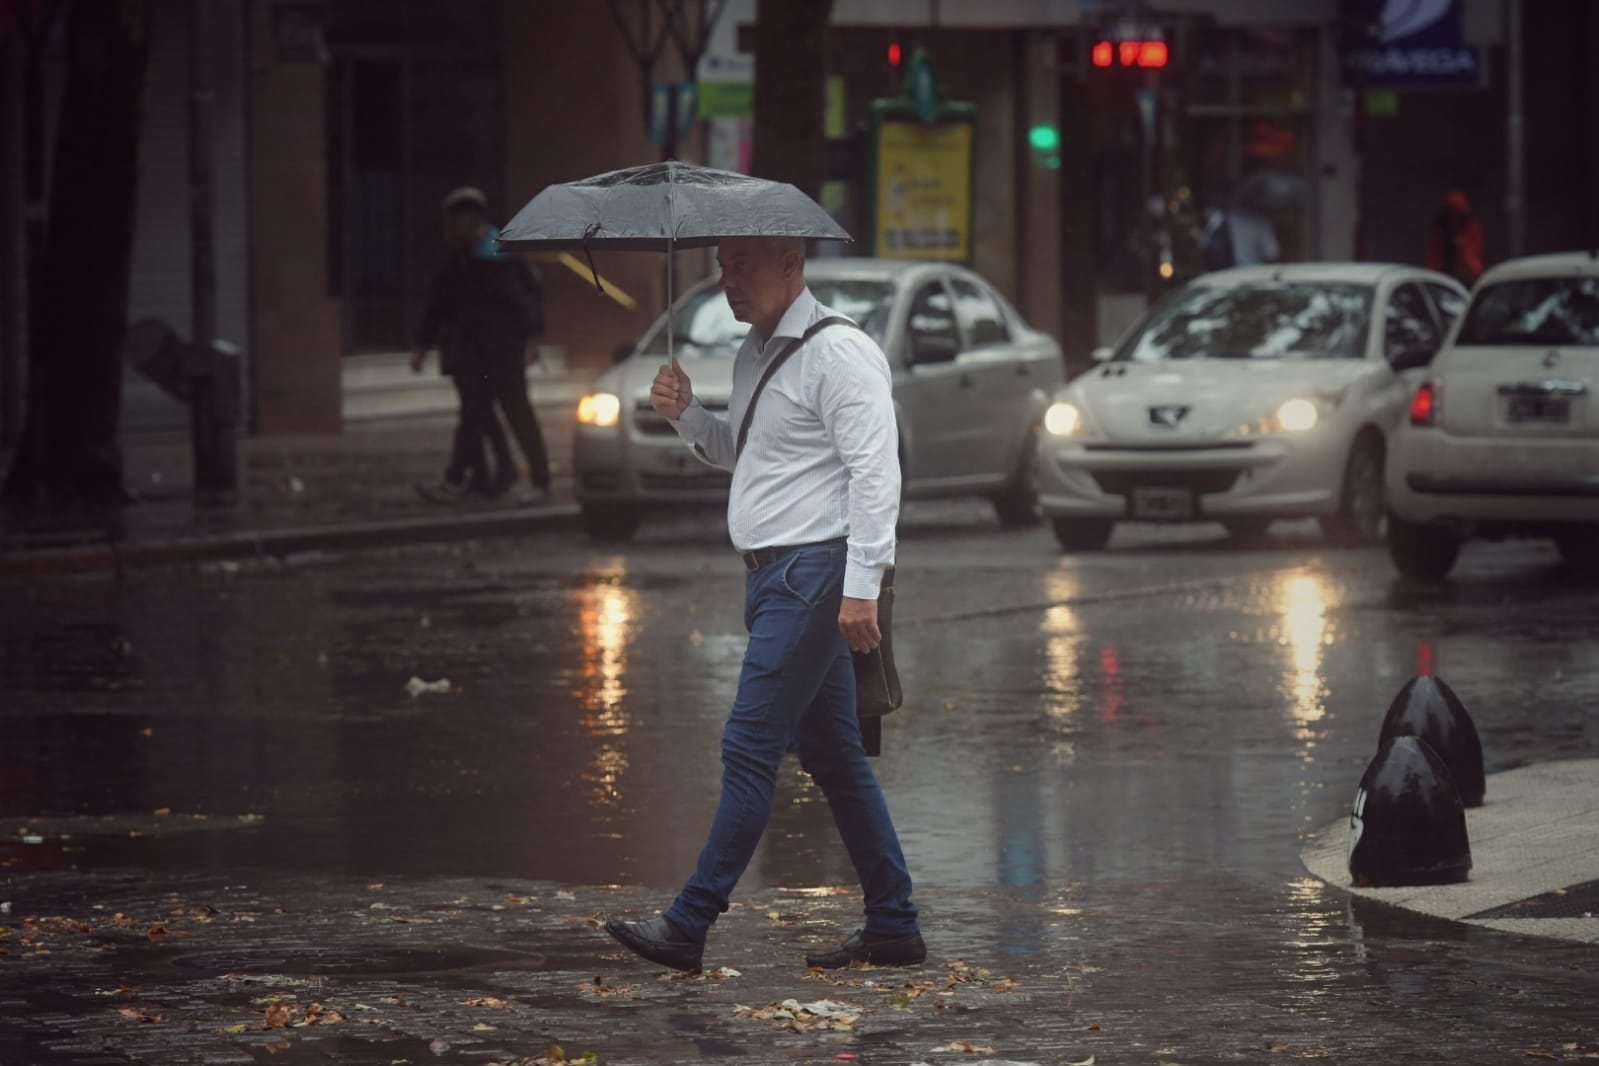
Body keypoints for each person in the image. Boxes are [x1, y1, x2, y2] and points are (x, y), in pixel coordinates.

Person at [604, 235, 924, 973]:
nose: (727, 281)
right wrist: (687, 416)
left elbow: (876, 476)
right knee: (835, 757)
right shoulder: (754, 351)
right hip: (773, 577)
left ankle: (688, 924)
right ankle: (894, 924)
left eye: (741, 264)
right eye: (721, 265)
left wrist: (860, 588)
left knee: (749, 747)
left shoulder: (839, 354)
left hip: (814, 577)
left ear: (790, 262)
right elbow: (748, 455)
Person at [413, 187, 551, 502]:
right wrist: (422, 345)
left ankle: (538, 481)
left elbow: (526, 303)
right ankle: (474, 478)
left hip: (502, 352)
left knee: (516, 414)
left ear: (470, 220)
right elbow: (439, 304)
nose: (448, 230)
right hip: (474, 352)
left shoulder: (499, 257)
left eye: (453, 223)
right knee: (475, 416)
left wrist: (530, 341)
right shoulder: (459, 258)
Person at [1425, 189, 1485, 287]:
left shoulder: (1470, 226)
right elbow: (1434, 253)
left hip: (1467, 273)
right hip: (1443, 273)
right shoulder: (1440, 229)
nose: (1455, 217)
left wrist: (1462, 247)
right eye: (1452, 213)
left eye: (1458, 214)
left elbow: (1476, 252)